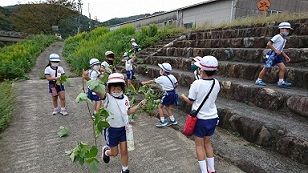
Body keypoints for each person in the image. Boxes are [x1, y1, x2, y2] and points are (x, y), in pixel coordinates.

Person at [93, 73, 145, 173]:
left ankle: (125, 169)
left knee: (124, 150)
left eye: (118, 89)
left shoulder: (125, 98)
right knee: (114, 153)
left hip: (123, 129)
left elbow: (128, 111)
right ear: (109, 89)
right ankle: (106, 152)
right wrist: (89, 80)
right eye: (114, 89)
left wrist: (139, 105)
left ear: (122, 88)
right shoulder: (107, 97)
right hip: (111, 129)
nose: (116, 91)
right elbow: (99, 93)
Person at [180, 56, 220, 173]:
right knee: (207, 143)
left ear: (201, 70)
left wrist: (183, 97)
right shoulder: (216, 83)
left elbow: (191, 100)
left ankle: (203, 171)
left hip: (200, 119)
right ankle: (211, 169)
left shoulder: (197, 83)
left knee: (199, 145)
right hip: (213, 117)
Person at [255, 22, 293, 87]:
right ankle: (259, 80)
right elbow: (269, 44)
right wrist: (275, 50)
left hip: (278, 55)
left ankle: (281, 81)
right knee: (266, 68)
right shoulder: (277, 36)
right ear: (281, 29)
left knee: (283, 68)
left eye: (288, 29)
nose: (287, 31)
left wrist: (285, 56)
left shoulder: (284, 39)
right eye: (286, 29)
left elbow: (280, 49)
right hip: (272, 54)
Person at [141, 63, 178, 127]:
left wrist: (144, 83)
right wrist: (171, 88)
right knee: (167, 106)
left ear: (163, 71)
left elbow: (152, 81)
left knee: (159, 106)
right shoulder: (172, 76)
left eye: (161, 69)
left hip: (167, 94)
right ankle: (173, 120)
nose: (160, 70)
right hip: (173, 93)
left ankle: (162, 121)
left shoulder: (161, 78)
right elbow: (177, 84)